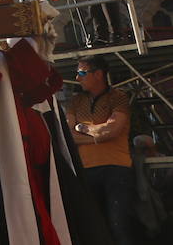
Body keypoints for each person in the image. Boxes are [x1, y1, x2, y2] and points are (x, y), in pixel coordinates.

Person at [65, 54, 136, 245]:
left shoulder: (118, 97)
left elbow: (111, 130)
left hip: (116, 169)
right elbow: (66, 135)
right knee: (95, 228)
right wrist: (96, 137)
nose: (77, 78)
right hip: (85, 170)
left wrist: (82, 128)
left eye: (82, 72)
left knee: (119, 225)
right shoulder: (76, 101)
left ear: (98, 74)